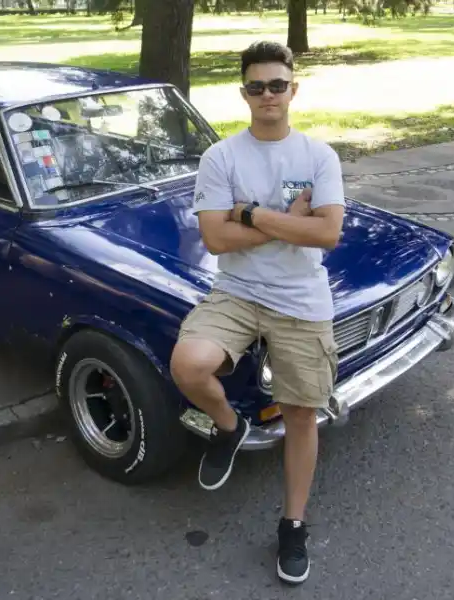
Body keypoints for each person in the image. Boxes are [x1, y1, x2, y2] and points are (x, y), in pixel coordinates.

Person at [169, 40, 346, 585]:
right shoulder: (221, 157)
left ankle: (292, 523)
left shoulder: (319, 156)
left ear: (293, 88)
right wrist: (280, 219)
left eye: (276, 84)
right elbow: (216, 241)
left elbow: (329, 232)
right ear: (243, 92)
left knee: (299, 414)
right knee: (189, 364)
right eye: (256, 86)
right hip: (238, 293)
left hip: (300, 298)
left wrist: (247, 212)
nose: (267, 94)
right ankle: (229, 427)